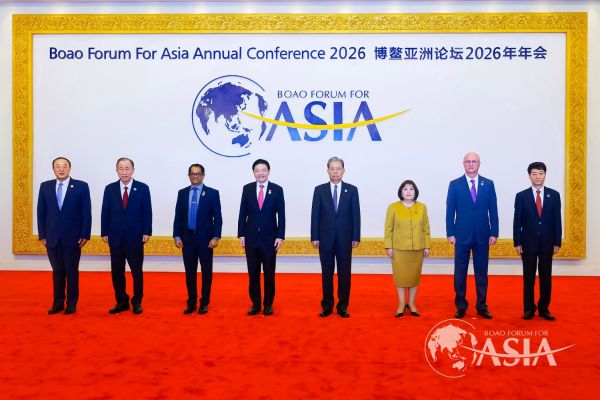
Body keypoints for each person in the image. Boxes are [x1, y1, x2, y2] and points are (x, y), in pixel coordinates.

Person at [446, 152, 498, 319]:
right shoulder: (455, 185)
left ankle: (482, 306)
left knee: (481, 273)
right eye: (468, 161)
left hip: (483, 235)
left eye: (474, 161)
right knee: (460, 272)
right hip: (461, 236)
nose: (471, 164)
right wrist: (450, 233)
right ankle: (461, 306)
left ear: (479, 164)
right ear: (463, 164)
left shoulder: (488, 184)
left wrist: (494, 232)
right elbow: (450, 211)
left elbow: (493, 210)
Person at [37, 157, 92, 315]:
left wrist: (85, 233)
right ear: (53, 169)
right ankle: (58, 302)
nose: (61, 169)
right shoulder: (45, 186)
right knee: (57, 271)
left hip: (73, 237)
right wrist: (42, 234)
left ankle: (72, 303)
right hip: (52, 237)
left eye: (64, 166)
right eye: (58, 166)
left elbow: (86, 212)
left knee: (71, 271)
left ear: (69, 168)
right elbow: (41, 212)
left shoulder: (81, 186)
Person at [101, 157, 152, 315]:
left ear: (133, 170)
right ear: (116, 170)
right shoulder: (110, 189)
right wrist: (104, 232)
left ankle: (137, 301)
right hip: (115, 236)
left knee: (136, 271)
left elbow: (147, 211)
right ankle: (121, 301)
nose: (124, 172)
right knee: (117, 271)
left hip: (135, 237)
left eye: (127, 168)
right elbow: (105, 211)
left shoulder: (142, 188)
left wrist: (147, 231)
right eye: (121, 169)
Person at [311, 157, 361, 318]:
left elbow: (356, 214)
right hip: (324, 239)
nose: (335, 172)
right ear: (327, 171)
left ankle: (343, 306)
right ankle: (327, 306)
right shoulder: (319, 190)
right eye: (332, 169)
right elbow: (315, 215)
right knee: (327, 273)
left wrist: (356, 236)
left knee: (344, 274)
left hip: (345, 239)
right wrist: (314, 236)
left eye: (338, 169)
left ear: (343, 171)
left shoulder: (352, 190)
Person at [513, 162, 562, 321]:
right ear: (529, 176)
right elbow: (517, 221)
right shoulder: (521, 196)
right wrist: (517, 242)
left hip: (548, 243)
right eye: (534, 174)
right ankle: (528, 308)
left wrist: (557, 241)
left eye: (540, 173)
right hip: (528, 243)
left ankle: (544, 308)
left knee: (546, 276)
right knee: (528, 277)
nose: (537, 177)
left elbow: (557, 220)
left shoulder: (554, 195)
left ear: (545, 175)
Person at [238, 159, 285, 316]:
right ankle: (256, 304)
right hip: (251, 238)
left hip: (270, 239)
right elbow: (242, 213)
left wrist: (280, 236)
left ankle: (268, 304)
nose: (260, 173)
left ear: (268, 171)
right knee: (253, 273)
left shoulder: (277, 190)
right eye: (257, 170)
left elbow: (281, 215)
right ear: (253, 172)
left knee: (269, 273)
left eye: (263, 170)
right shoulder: (247, 189)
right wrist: (241, 234)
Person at [173, 164, 222, 315]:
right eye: (192, 174)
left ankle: (204, 302)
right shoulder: (182, 193)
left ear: (203, 175)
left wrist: (216, 237)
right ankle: (191, 302)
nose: (195, 176)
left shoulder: (212, 193)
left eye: (198, 173)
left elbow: (218, 218)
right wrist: (176, 235)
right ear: (189, 175)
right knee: (190, 272)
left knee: (206, 272)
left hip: (206, 240)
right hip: (187, 239)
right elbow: (178, 216)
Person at [384, 180, 431, 317]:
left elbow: (426, 229)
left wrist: (427, 245)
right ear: (401, 192)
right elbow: (388, 229)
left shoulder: (422, 207)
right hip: (399, 249)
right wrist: (388, 246)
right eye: (405, 189)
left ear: (415, 192)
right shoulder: (393, 207)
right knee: (400, 278)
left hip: (418, 249)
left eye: (411, 189)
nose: (408, 191)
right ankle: (401, 304)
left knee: (414, 277)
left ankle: (411, 304)